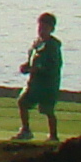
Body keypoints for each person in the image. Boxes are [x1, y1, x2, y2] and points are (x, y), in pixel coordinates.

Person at [16, 12, 63, 141]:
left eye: (45, 28)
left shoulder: (53, 46)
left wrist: (38, 69)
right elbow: (32, 60)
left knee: (47, 110)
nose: (41, 30)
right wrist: (26, 66)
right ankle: (26, 130)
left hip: (48, 85)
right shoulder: (37, 43)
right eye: (40, 27)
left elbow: (55, 66)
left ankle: (53, 136)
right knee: (22, 102)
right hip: (34, 83)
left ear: (51, 29)